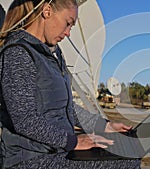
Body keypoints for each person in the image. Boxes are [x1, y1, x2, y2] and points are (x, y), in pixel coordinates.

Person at [0, 0, 141, 168]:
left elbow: (68, 108)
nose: (68, 33)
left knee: (128, 154)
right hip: (29, 158)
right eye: (68, 23)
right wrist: (73, 142)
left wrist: (105, 126)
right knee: (126, 162)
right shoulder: (18, 54)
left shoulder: (53, 55)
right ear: (47, 11)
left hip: (55, 151)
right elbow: (25, 120)